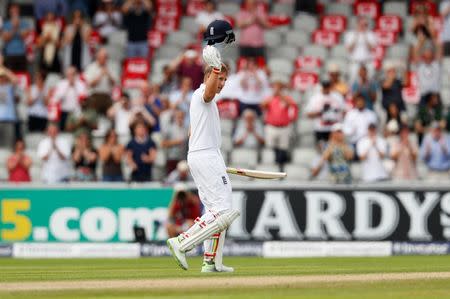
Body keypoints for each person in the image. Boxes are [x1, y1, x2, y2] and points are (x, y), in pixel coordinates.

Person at [167, 27, 240, 274]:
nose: (221, 84)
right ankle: (182, 242)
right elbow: (209, 91)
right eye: (220, 78)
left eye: (224, 80)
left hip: (206, 155)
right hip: (206, 156)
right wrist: (215, 69)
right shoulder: (202, 95)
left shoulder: (201, 103)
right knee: (224, 210)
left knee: (215, 210)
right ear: (210, 75)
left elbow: (192, 133)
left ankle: (211, 261)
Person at [261, 75, 298, 167]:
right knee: (270, 148)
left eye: (279, 87)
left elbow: (293, 104)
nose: (277, 89)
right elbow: (262, 105)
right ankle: (273, 165)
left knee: (283, 148)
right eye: (275, 87)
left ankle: (281, 166)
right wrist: (273, 96)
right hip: (271, 126)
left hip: (283, 127)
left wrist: (280, 95)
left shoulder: (285, 97)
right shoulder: (270, 98)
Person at [305, 80, 345, 146]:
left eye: (328, 86)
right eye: (324, 86)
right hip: (320, 128)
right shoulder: (315, 98)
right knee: (322, 150)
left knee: (335, 150)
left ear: (330, 87)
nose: (326, 88)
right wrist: (320, 112)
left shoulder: (337, 97)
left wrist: (335, 112)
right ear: (322, 87)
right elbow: (308, 114)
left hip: (334, 129)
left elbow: (344, 110)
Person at [51, 66, 88, 131]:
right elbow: (56, 99)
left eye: (73, 74)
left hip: (76, 112)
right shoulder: (61, 84)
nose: (71, 76)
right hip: (64, 112)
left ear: (76, 74)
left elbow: (83, 100)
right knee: (63, 130)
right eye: (69, 74)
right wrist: (67, 87)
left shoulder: (81, 84)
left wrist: (75, 87)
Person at [83, 48, 119, 114]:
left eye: (105, 57)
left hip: (107, 96)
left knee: (113, 112)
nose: (104, 59)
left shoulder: (111, 67)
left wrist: (109, 75)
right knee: (91, 114)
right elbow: (90, 84)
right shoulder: (91, 67)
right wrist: (100, 75)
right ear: (97, 57)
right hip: (94, 96)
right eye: (102, 57)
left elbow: (115, 83)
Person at [344, 17, 377, 83]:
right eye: (361, 24)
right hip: (355, 62)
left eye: (365, 25)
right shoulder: (350, 34)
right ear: (357, 24)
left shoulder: (371, 34)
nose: (363, 26)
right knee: (353, 81)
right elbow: (349, 49)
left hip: (367, 62)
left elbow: (371, 48)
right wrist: (356, 36)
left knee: (370, 81)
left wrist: (365, 36)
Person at [1, 4, 30, 71]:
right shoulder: (6, 24)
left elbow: (24, 36)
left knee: (22, 75)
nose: (14, 12)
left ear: (19, 11)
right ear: (10, 11)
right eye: (13, 10)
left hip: (21, 53)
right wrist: (14, 28)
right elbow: (6, 38)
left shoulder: (24, 23)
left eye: (16, 10)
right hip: (9, 54)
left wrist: (17, 27)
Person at [161, 109, 188, 175]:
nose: (180, 119)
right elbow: (163, 143)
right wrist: (175, 142)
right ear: (175, 117)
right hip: (172, 158)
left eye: (182, 117)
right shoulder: (169, 129)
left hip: (183, 158)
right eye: (178, 117)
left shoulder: (186, 129)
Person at [0, 68, 19, 143]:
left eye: (2, 77)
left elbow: (15, 80)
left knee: (9, 145)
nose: (1, 79)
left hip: (9, 119)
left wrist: (2, 67)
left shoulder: (9, 87)